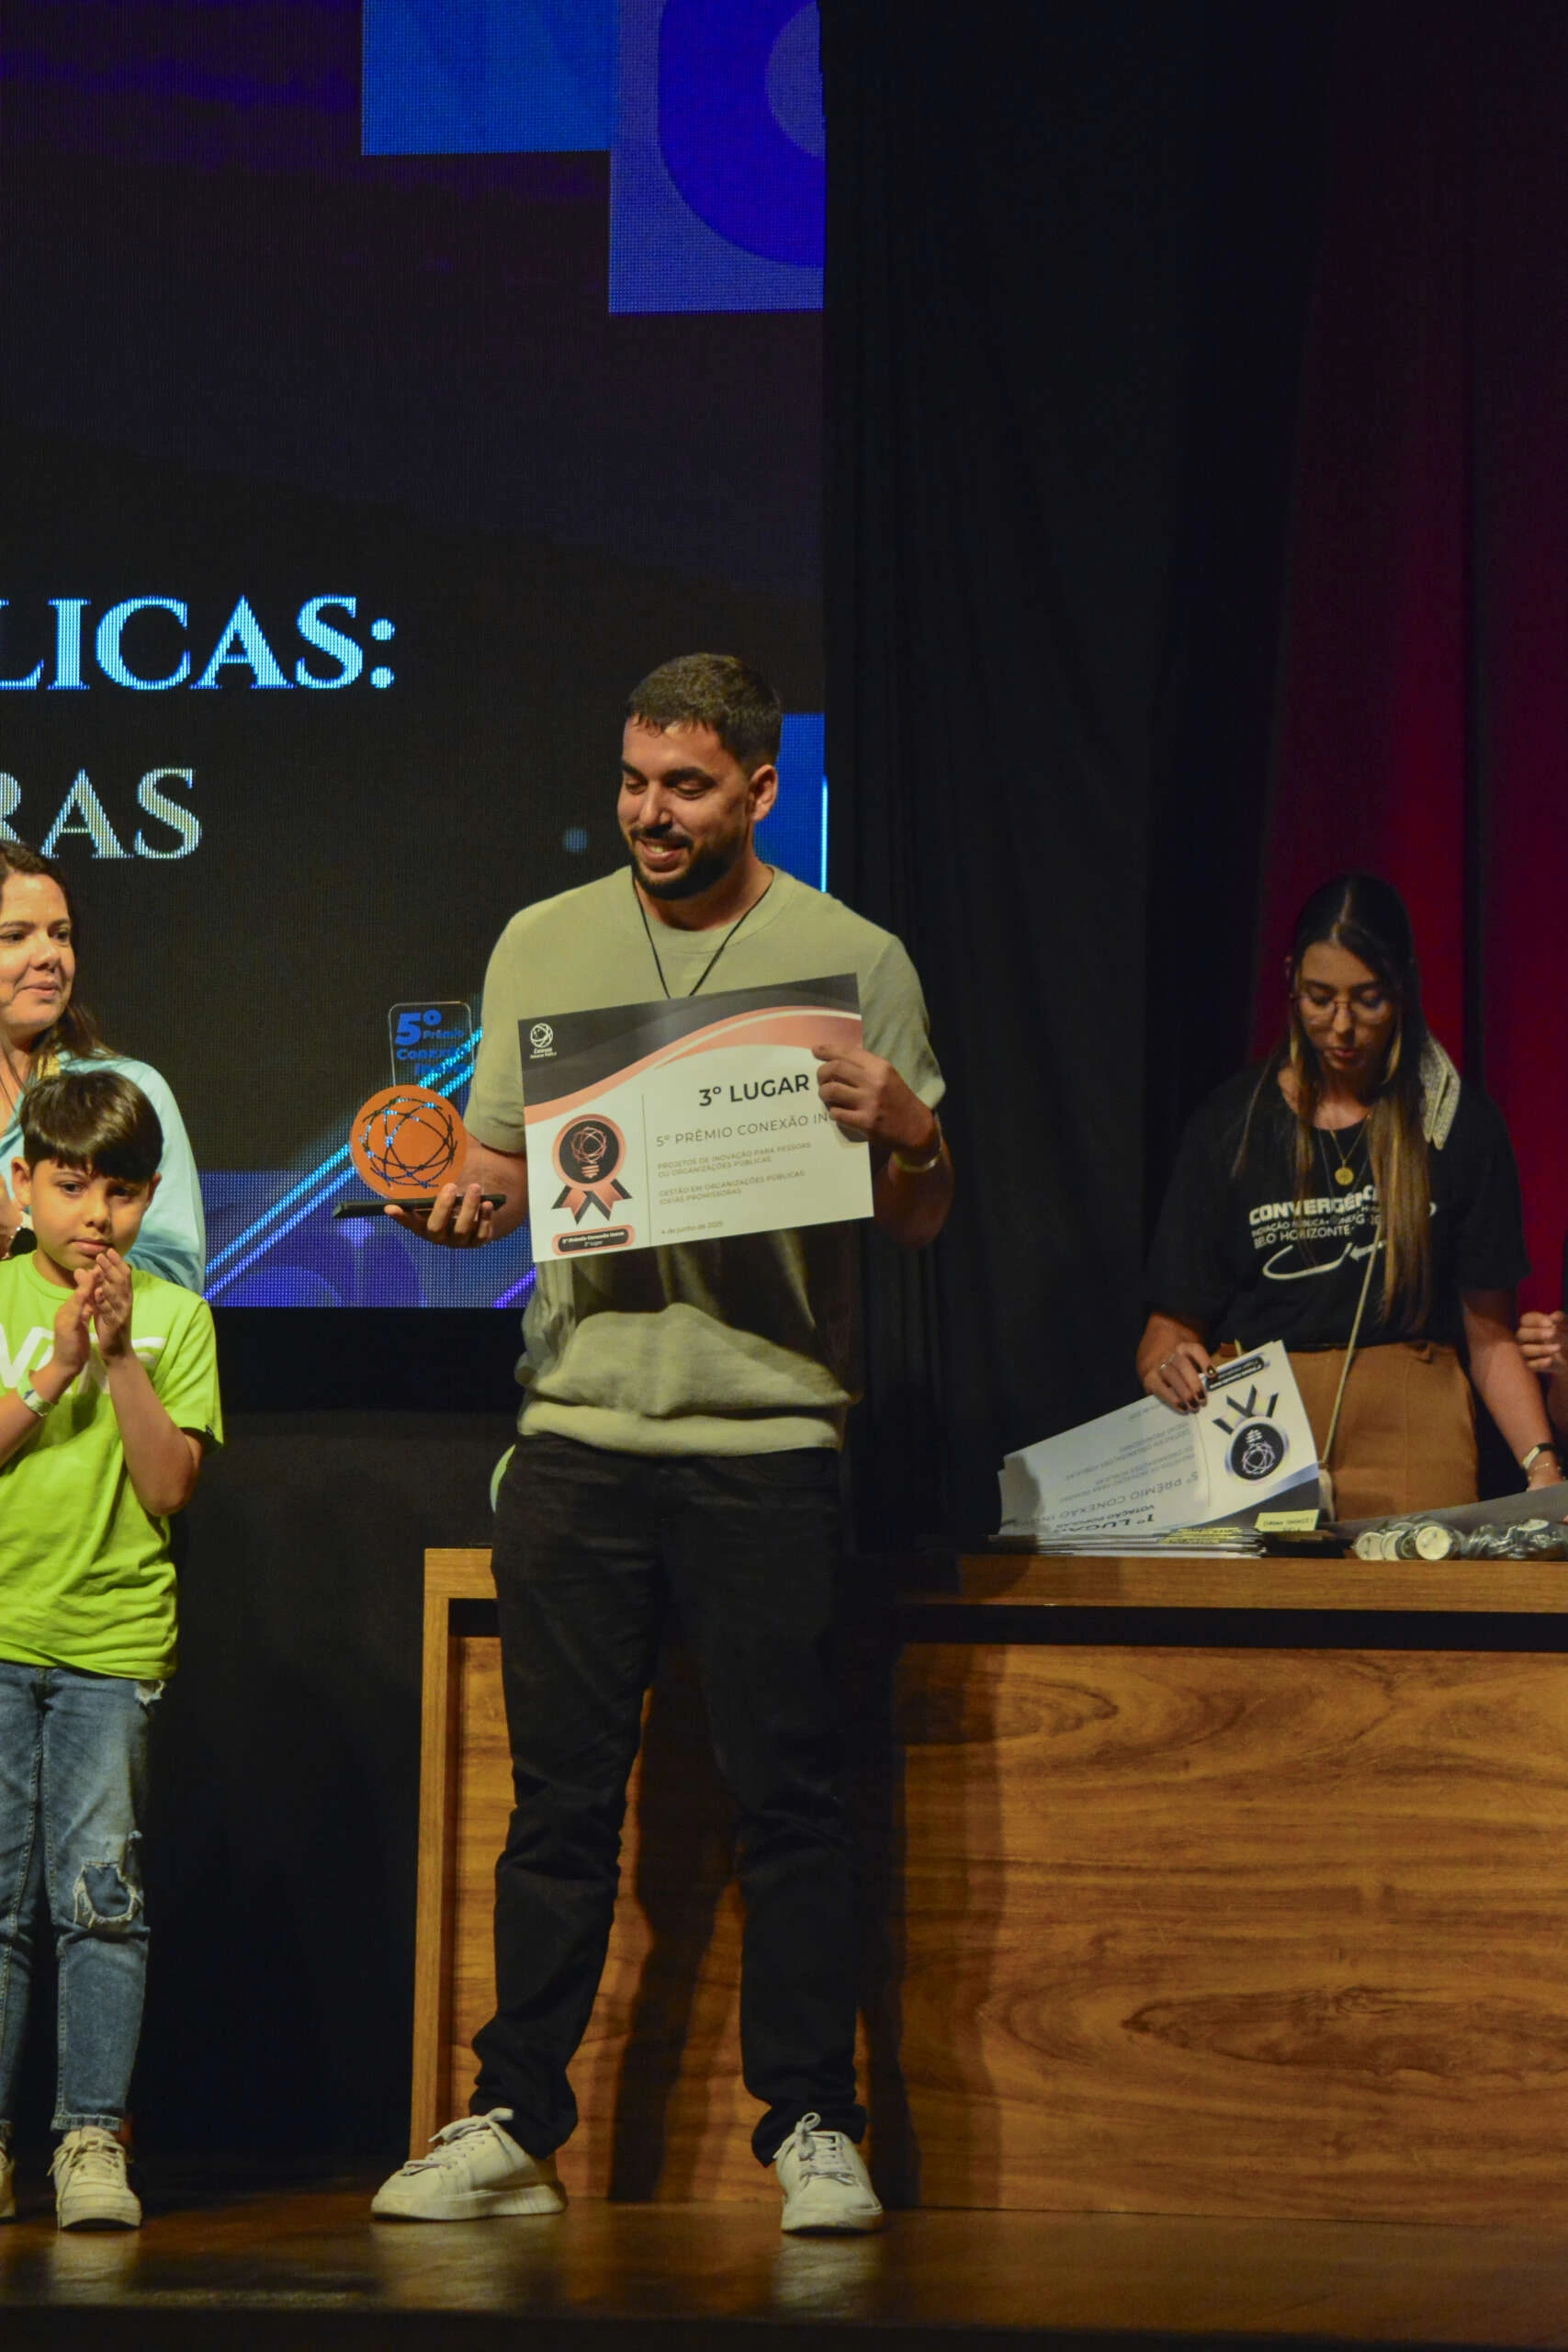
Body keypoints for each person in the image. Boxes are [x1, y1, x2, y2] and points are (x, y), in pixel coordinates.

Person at [370, 653, 951, 2233]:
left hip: (768, 1440)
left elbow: (920, 1217)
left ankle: (809, 2121)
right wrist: (455, 1202)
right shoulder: (540, 944)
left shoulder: (851, 960)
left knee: (791, 1800)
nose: (648, 814)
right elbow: (497, 1171)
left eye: (685, 787)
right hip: (577, 1433)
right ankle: (512, 2114)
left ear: (759, 791)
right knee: (558, 1801)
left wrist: (911, 1133)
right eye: (631, 782)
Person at [1138, 873, 1557, 1520]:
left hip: (1409, 1415)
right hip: (1260, 1417)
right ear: (1288, 981)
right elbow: (1170, 1327)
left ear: (1402, 988)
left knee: (1416, 1612)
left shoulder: (1456, 1127)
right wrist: (1162, 1360)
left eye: (1367, 1000)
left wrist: (1543, 1469)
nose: (1340, 1027)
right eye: (1318, 997)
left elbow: (1491, 1338)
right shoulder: (1229, 1124)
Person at [0, 1070, 222, 2229]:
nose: (96, 1215)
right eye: (71, 1184)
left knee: (99, 1901)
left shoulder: (178, 1320)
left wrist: (122, 1353)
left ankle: (89, 2137)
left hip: (108, 1648)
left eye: (121, 1192)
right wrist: (53, 1367)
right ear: (23, 1183)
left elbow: (168, 1482)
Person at [0, 842, 205, 1293]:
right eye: (15, 936)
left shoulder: (129, 1091)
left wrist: (19, 1236)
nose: (50, 955)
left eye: (60, 934)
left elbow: (175, 1282)